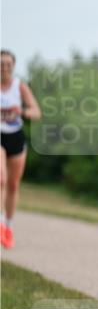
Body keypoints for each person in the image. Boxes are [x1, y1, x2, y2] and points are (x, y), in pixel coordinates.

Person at [1, 50, 42, 249]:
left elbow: (36, 112)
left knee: (13, 185)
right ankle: (0, 221)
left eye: (8, 64)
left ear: (13, 66)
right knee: (1, 179)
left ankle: (8, 227)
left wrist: (22, 111)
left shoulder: (20, 87)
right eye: (1, 64)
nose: (4, 67)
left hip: (16, 137)